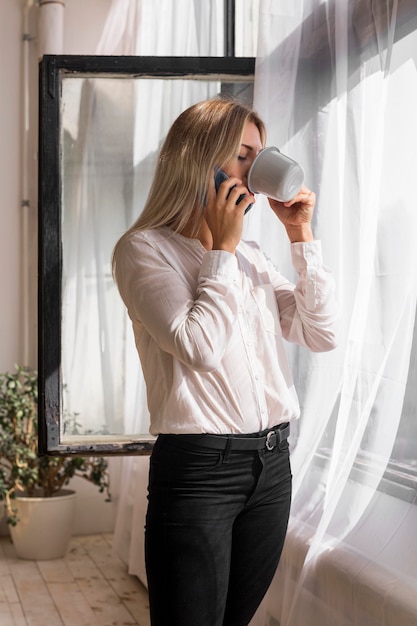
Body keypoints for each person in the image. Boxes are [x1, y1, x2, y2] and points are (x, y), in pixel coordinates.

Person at [112, 97, 339, 626]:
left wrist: (300, 236)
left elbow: (320, 332)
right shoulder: (144, 250)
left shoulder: (253, 256)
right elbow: (198, 346)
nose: (255, 174)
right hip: (199, 471)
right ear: (198, 159)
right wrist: (222, 251)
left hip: (273, 465)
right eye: (242, 156)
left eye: (260, 157)